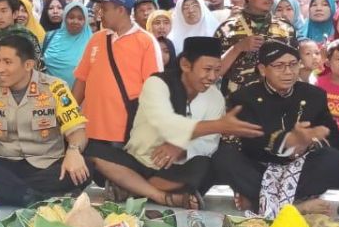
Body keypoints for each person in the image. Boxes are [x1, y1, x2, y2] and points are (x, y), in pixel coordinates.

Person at [97, 36, 263, 207]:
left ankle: (131, 189)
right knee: (94, 151)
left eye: (217, 70)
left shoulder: (215, 98)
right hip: (139, 160)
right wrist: (218, 126)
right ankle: (160, 195)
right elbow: (165, 122)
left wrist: (183, 149)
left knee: (205, 164)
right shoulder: (158, 83)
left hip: (175, 171)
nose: (213, 76)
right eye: (207, 69)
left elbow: (209, 144)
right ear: (185, 65)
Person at [212, 40, 339, 216]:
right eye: (279, 66)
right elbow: (251, 141)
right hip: (260, 167)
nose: (288, 72)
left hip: (301, 168)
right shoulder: (245, 97)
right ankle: (295, 206)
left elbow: (336, 140)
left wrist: (309, 142)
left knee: (332, 158)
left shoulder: (314, 95)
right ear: (262, 69)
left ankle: (259, 202)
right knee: (225, 156)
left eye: (293, 64)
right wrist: (287, 142)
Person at [0, 33, 90, 206]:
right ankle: (35, 197)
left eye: (7, 62)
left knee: (86, 165)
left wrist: (74, 151)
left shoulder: (55, 87)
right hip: (6, 166)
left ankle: (9, 194)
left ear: (28, 65)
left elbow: (77, 130)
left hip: (47, 166)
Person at [75, 0, 164, 170]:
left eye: (105, 9)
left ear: (121, 10)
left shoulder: (146, 41)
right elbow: (81, 81)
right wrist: (70, 117)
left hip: (124, 131)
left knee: (122, 180)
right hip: (90, 130)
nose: (100, 14)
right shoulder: (96, 39)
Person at [215, 0, 297, 94]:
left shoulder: (285, 28)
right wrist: (237, 48)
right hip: (238, 103)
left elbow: (295, 67)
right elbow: (213, 71)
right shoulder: (227, 28)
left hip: (276, 101)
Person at [42, 2, 91, 87]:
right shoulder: (50, 36)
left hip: (79, 98)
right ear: (65, 18)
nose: (75, 21)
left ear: (85, 21)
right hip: (48, 95)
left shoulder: (93, 42)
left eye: (80, 18)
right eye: (71, 17)